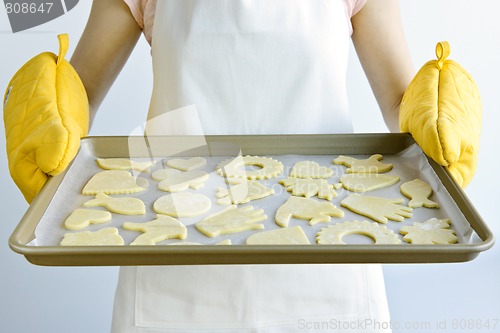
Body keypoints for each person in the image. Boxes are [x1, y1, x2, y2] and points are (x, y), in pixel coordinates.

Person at [69, 0, 414, 332]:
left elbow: (400, 99)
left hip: (324, 261)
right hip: (177, 262)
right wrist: (55, 111)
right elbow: (82, 88)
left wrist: (428, 111)